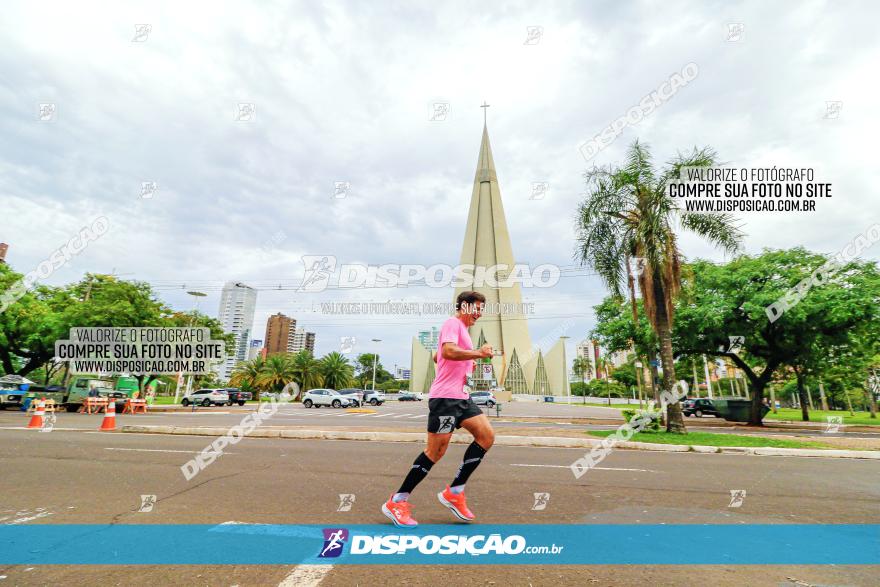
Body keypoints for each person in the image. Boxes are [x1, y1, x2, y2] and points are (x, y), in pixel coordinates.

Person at [382, 291, 495, 527]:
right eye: (476, 308)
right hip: (445, 399)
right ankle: (397, 501)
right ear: (464, 306)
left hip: (462, 399)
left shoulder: (463, 331)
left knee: (486, 436)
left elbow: (438, 357)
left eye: (482, 309)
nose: (479, 313)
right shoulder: (452, 323)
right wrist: (478, 353)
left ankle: (455, 491)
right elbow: (447, 352)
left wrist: (464, 361)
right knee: (435, 452)